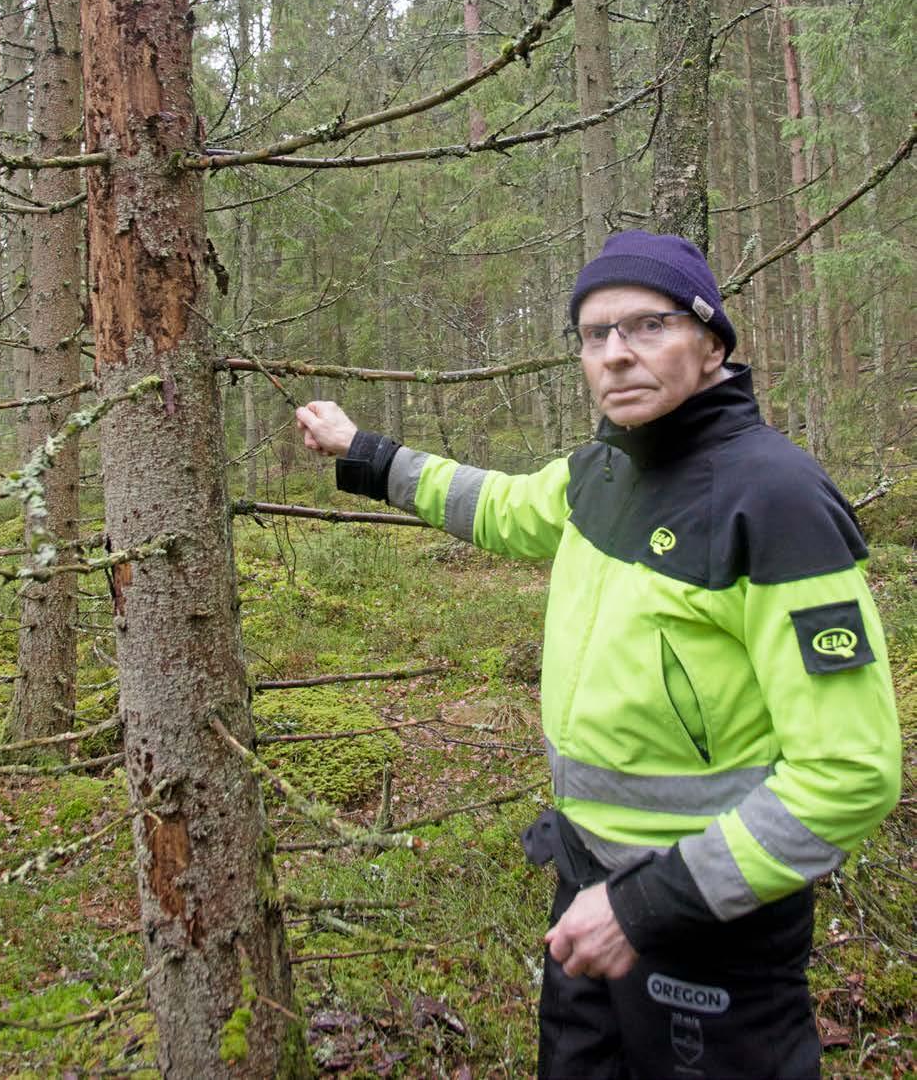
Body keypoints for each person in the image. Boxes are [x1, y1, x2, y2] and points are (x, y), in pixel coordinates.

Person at [295, 230, 901, 1080]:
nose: (615, 355)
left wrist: (647, 907)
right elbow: (502, 508)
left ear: (711, 341)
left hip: (705, 920)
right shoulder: (603, 472)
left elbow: (850, 773)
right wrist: (368, 454)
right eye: (593, 334)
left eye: (646, 327)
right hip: (587, 878)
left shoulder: (773, 501)